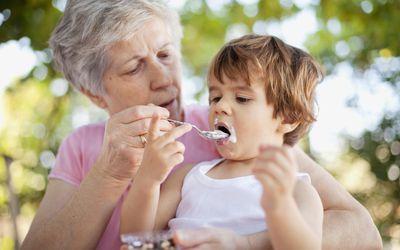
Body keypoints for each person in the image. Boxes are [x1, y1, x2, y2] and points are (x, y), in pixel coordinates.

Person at [20, 1, 381, 250]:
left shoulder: (244, 136)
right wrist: (111, 175)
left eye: (164, 54)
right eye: (134, 67)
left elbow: (361, 231)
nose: (164, 78)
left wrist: (245, 244)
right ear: (95, 93)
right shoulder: (81, 146)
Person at [120, 34, 324, 250]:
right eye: (215, 97)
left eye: (242, 98)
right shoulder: (187, 178)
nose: (220, 106)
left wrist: (280, 207)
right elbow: (135, 236)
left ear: (288, 118)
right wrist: (147, 178)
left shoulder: (296, 190)